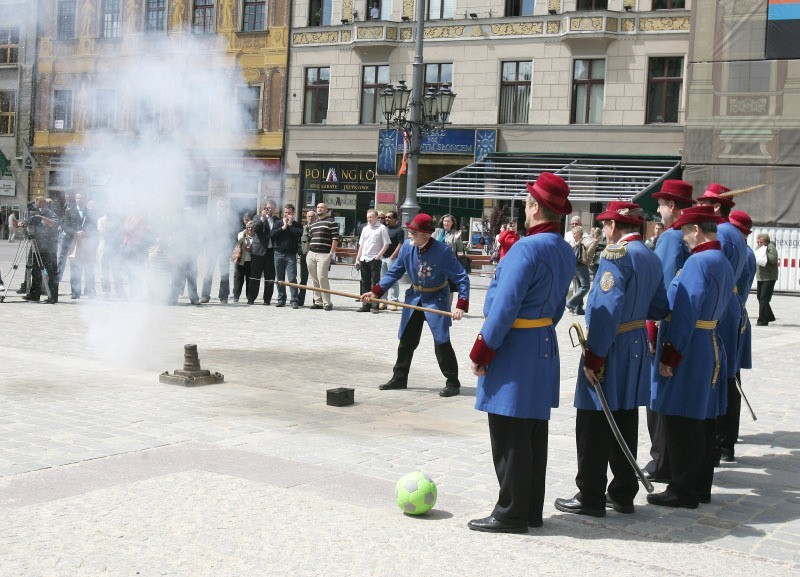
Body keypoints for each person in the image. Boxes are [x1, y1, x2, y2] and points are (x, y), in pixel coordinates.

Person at [467, 172, 575, 534]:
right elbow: (559, 305)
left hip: (515, 346)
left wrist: (483, 348)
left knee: (509, 432)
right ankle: (529, 509)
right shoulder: (563, 248)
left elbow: (505, 305)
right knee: (532, 433)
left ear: (533, 207)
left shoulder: (527, 248)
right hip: (542, 340)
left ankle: (510, 511)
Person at [554, 202, 668, 518]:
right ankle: (622, 492)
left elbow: (605, 309)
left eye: (605, 225)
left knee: (592, 421)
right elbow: (660, 307)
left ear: (614, 227)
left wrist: (594, 357)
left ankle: (590, 494)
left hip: (613, 345)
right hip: (635, 345)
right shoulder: (650, 256)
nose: (604, 231)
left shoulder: (617, 255)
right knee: (625, 418)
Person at [648, 204, 733, 509]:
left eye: (685, 230)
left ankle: (682, 488)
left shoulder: (699, 262)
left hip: (691, 345)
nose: (682, 237)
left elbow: (686, 310)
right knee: (702, 420)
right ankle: (699, 485)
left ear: (696, 230)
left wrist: (671, 354)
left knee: (681, 419)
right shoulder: (721, 259)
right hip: (709, 341)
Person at [361, 213, 469, 397]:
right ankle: (399, 378)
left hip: (436, 299)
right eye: (409, 231)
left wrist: (461, 304)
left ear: (425, 235)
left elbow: (461, 278)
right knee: (406, 340)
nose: (409, 235)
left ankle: (453, 382)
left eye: (413, 232)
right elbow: (394, 272)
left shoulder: (443, 251)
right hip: (414, 297)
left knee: (441, 341)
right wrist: (376, 291)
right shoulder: (407, 249)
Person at [643, 179, 695, 484]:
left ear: (672, 207)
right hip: (685, 326)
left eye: (661, 205)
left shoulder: (672, 238)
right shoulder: (685, 237)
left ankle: (661, 461)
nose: (659, 211)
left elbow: (659, 291)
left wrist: (651, 331)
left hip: (668, 326)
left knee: (659, 396)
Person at [695, 183, 748, 464]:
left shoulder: (723, 233)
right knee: (727, 374)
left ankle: (718, 441)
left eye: (705, 203)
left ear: (716, 207)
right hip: (731, 304)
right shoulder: (735, 234)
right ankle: (725, 441)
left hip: (720, 308)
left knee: (719, 375)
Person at [716, 210, 757, 463]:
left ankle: (724, 441)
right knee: (732, 380)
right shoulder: (746, 250)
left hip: (728, 319)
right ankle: (727, 441)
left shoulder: (742, 251)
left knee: (727, 381)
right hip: (737, 317)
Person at [22, 197, 60, 303]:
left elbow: (54, 224)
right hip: (37, 246)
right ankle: (34, 295)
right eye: (37, 204)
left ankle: (53, 297)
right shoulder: (34, 213)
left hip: (49, 248)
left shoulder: (51, 213)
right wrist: (22, 224)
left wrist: (42, 217)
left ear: (44, 203)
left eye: (41, 204)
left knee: (51, 272)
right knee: (36, 271)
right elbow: (27, 222)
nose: (39, 206)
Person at [201, 199, 237, 304]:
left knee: (224, 274)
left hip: (224, 248)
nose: (221, 206)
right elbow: (206, 232)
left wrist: (232, 248)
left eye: (223, 204)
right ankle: (205, 295)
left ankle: (224, 296)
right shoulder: (210, 217)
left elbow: (233, 233)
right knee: (208, 272)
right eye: (220, 204)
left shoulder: (230, 218)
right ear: (216, 205)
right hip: (212, 248)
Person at [61, 193, 97, 299]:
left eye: (81, 198)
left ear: (84, 200)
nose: (79, 200)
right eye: (77, 198)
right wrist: (75, 233)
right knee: (75, 268)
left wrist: (85, 233)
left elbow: (94, 227)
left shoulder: (90, 212)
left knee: (88, 267)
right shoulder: (69, 211)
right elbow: (65, 226)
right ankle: (75, 291)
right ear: (75, 199)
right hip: (74, 243)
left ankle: (90, 290)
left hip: (87, 243)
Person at [306, 202, 339, 311]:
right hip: (311, 253)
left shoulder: (332, 222)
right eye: (318, 207)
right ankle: (318, 302)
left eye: (322, 207)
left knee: (322, 278)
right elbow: (311, 238)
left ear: (326, 210)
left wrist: (331, 253)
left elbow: (335, 239)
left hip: (324, 254)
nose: (319, 209)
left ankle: (327, 302)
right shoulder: (313, 224)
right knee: (314, 279)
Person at [356, 209, 390, 313]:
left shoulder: (382, 228)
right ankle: (366, 304)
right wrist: (357, 258)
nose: (369, 219)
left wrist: (378, 256)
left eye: (371, 217)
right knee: (364, 282)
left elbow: (386, 243)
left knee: (375, 282)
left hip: (375, 258)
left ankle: (375, 305)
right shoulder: (365, 228)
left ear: (376, 217)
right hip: (364, 258)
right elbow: (361, 244)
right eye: (368, 217)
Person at [271, 203, 303, 308]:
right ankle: (281, 300)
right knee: (280, 278)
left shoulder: (298, 225)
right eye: (285, 212)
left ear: (293, 213)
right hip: (278, 253)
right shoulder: (278, 223)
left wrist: (290, 225)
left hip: (291, 255)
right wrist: (283, 227)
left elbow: (298, 235)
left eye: (289, 213)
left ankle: (294, 300)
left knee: (292, 278)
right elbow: (272, 235)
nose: (287, 214)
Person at [247, 200, 278, 305]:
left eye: (272, 208)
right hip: (259, 251)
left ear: (275, 209)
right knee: (255, 276)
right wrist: (262, 219)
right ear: (264, 208)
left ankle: (267, 299)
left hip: (271, 252)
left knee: (270, 277)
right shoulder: (257, 217)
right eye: (268, 208)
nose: (270, 209)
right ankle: (251, 298)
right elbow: (255, 229)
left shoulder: (277, 220)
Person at [379, 210, 404, 310]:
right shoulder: (384, 228)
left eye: (389, 217)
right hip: (383, 257)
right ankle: (383, 301)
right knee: (383, 280)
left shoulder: (399, 230)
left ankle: (394, 301)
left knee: (393, 280)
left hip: (392, 258)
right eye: (386, 217)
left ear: (394, 219)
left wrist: (393, 256)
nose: (386, 219)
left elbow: (400, 244)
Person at [565, 225, 592, 315]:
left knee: (580, 287)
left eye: (575, 233)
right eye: (573, 233)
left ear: (580, 234)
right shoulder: (580, 241)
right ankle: (570, 303)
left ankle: (579, 308)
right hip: (580, 265)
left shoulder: (583, 240)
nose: (573, 235)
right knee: (585, 287)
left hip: (577, 264)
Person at [755, 233, 778, 326]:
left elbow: (774, 259)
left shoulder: (770, 247)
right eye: (758, 242)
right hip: (760, 277)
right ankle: (769, 316)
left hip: (769, 277)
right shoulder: (758, 248)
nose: (759, 243)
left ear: (766, 241)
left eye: (761, 242)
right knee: (760, 297)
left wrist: (765, 253)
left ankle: (762, 320)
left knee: (764, 299)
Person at [297, 210, 316, 307]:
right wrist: (299, 249)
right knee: (303, 279)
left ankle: (316, 301)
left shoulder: (318, 228)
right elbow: (298, 241)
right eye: (309, 216)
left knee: (315, 280)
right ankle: (300, 300)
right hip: (304, 256)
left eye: (312, 216)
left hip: (314, 257)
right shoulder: (303, 229)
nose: (310, 218)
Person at [232, 220, 254, 303]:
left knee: (249, 280)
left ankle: (249, 298)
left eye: (251, 227)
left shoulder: (256, 236)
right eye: (248, 227)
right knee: (238, 279)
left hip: (251, 261)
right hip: (241, 260)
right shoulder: (240, 234)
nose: (250, 228)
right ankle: (236, 296)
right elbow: (237, 245)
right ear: (246, 227)